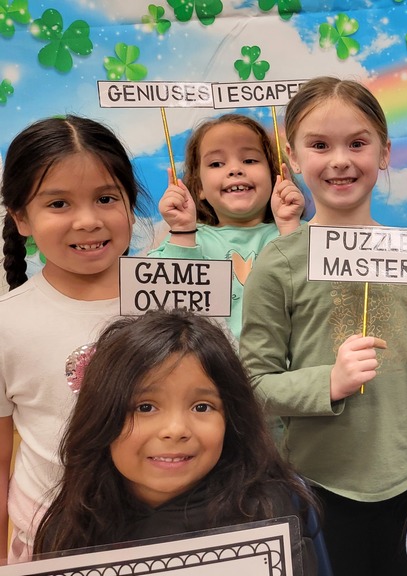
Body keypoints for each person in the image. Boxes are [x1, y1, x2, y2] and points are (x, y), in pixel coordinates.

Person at [240, 76, 407, 576]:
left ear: (384, 153)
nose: (340, 160)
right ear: (293, 160)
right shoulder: (278, 263)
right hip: (318, 486)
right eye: (319, 145)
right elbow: (251, 385)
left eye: (357, 144)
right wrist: (329, 381)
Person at [32, 309, 320, 573]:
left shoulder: (266, 515)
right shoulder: (71, 525)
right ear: (100, 417)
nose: (175, 429)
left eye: (202, 407)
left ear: (231, 419)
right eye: (145, 407)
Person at [0, 116, 144, 562]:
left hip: (168, 532)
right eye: (58, 204)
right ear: (21, 217)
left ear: (130, 204)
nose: (87, 221)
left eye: (105, 199)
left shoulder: (174, 301)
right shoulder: (8, 323)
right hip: (52, 543)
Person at [149, 113, 304, 340]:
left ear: (275, 175)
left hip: (284, 372)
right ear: (199, 187)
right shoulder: (186, 238)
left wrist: (290, 226)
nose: (234, 170)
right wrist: (182, 231)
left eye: (249, 160)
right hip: (210, 370)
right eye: (216, 164)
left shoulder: (299, 233)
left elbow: (315, 297)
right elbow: (164, 309)